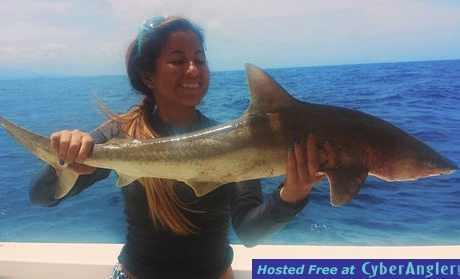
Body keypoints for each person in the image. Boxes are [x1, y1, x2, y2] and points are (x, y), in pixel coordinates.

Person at [30, 16, 337, 279]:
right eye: (178, 60)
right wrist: (65, 156)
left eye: (200, 60)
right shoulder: (121, 134)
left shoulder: (230, 140)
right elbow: (42, 197)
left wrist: (292, 194)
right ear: (148, 75)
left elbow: (248, 230)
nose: (193, 69)